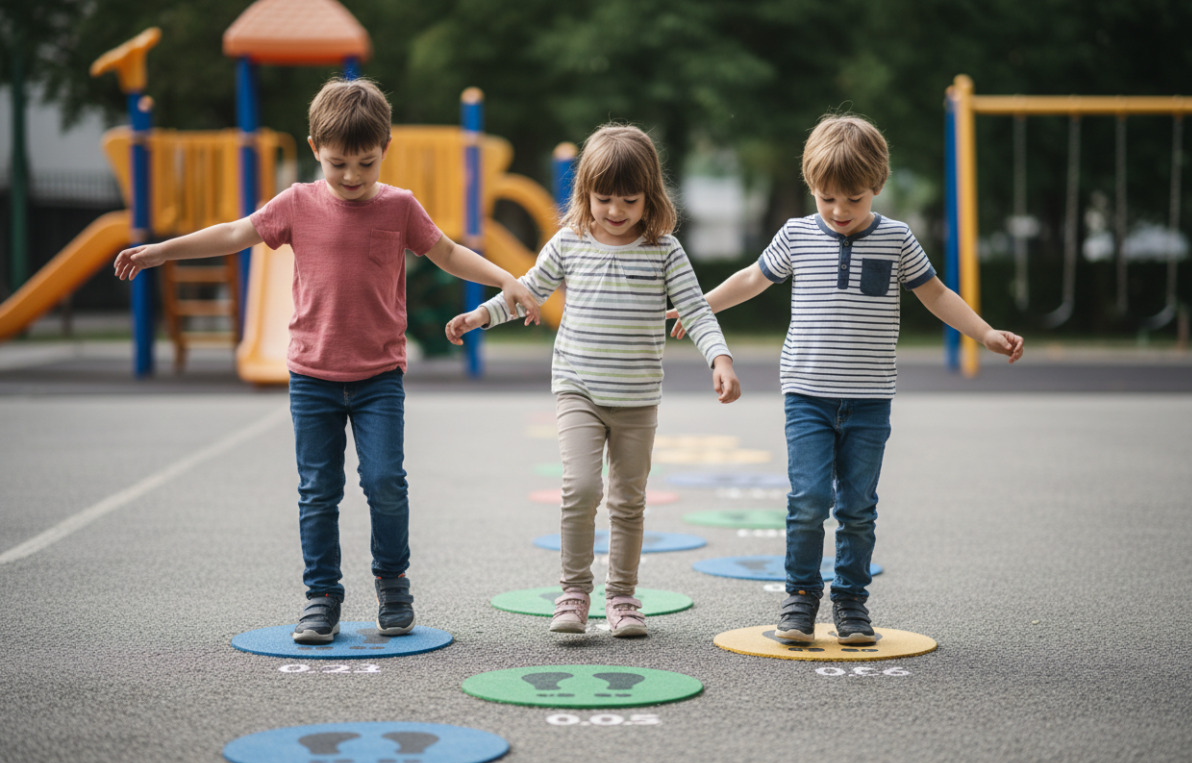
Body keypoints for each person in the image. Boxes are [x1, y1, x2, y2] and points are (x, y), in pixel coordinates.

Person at [113, 77, 540, 644]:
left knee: (385, 481)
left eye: (365, 162)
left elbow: (448, 252)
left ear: (384, 147)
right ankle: (322, 596)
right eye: (339, 163)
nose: (352, 176)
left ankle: (393, 582)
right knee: (319, 490)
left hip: (378, 377)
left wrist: (505, 277)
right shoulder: (296, 203)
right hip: (311, 376)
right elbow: (236, 233)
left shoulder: (399, 207)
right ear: (315, 148)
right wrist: (162, 251)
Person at [669, 112, 1023, 645]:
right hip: (806, 397)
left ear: (876, 187)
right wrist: (698, 308)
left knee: (858, 507)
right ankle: (801, 597)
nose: (839, 211)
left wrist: (984, 332)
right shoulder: (796, 235)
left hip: (869, 400)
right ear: (811, 187)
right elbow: (750, 280)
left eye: (854, 199)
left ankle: (852, 601)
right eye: (827, 197)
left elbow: (937, 295)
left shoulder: (898, 240)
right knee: (808, 500)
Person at [446, 124, 741, 637]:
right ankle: (574, 593)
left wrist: (720, 358)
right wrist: (481, 316)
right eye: (604, 198)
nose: (616, 210)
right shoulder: (569, 243)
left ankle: (623, 598)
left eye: (630, 199)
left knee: (629, 500)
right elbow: (528, 291)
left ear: (651, 197)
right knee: (580, 488)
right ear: (586, 195)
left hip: (637, 397)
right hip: (578, 389)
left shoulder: (665, 251)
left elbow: (695, 310)